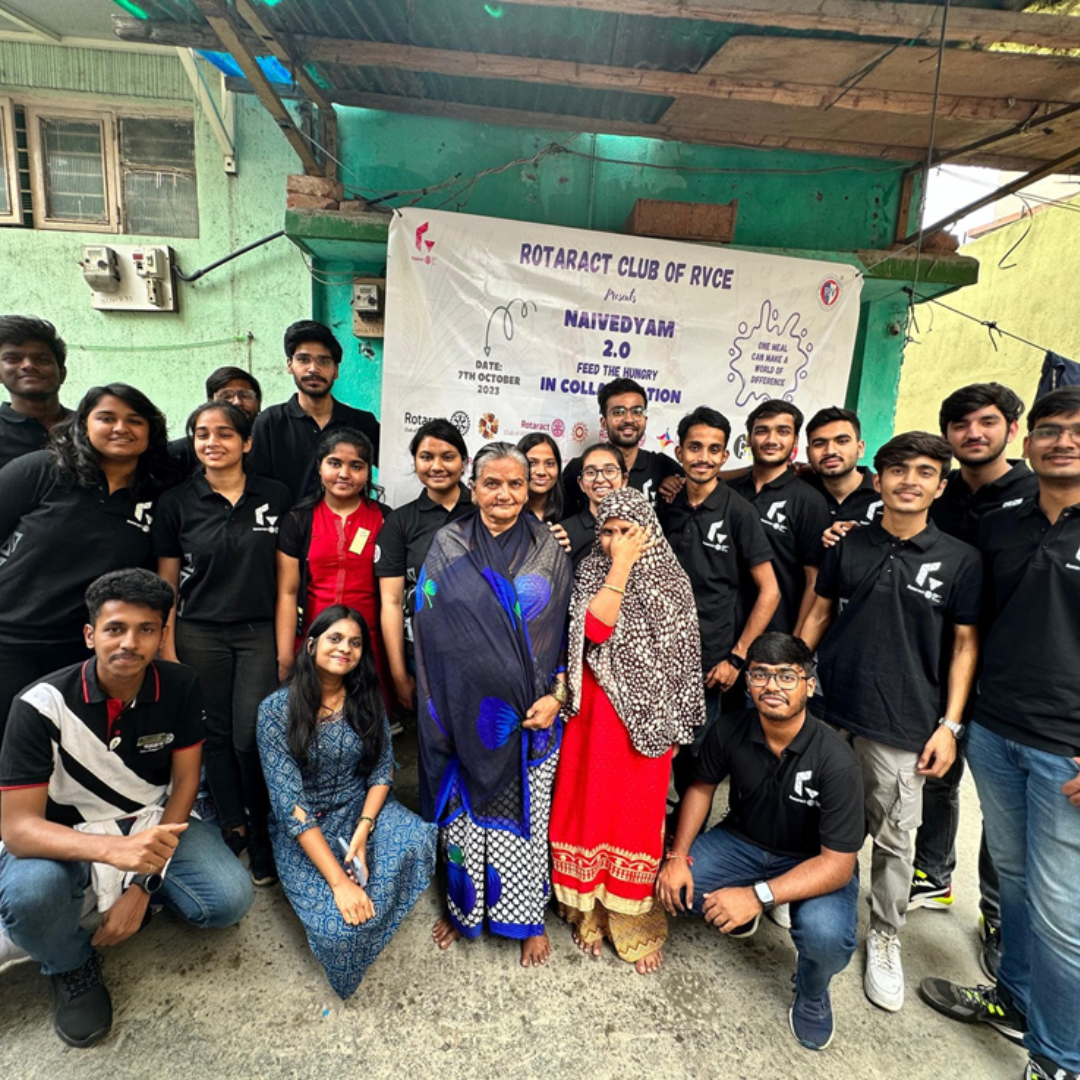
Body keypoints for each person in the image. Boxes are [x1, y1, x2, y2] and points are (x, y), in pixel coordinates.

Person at [0, 569, 253, 1048]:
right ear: (91, 634)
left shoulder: (180, 685)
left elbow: (183, 785)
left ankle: (121, 905)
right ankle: (71, 964)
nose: (129, 643)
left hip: (149, 818)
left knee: (228, 901)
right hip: (65, 832)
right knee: (31, 898)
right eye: (115, 629)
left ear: (162, 635)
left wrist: (141, 884)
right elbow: (17, 829)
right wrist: (114, 853)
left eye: (146, 629)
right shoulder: (39, 706)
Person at [919, 386, 1080, 1080]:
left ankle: (1061, 1058)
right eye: (1050, 431)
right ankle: (1014, 1001)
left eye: (1075, 431)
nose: (1062, 442)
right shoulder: (1006, 521)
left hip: (1066, 750)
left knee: (1062, 913)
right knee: (1014, 883)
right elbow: (970, 618)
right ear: (1029, 442)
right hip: (995, 727)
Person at [798, 431, 981, 1014]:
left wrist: (949, 726)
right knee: (813, 805)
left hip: (903, 720)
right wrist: (792, 680)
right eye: (897, 471)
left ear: (940, 485)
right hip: (830, 706)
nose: (909, 481)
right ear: (878, 481)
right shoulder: (848, 544)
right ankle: (805, 893)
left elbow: (963, 647)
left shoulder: (959, 559)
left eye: (924, 472)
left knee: (896, 837)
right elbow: (821, 612)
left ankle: (884, 933)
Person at [656, 633, 863, 1051]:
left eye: (787, 676)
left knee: (826, 939)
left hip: (811, 861)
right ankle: (746, 907)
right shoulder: (730, 729)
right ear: (747, 683)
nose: (773, 686)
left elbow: (838, 865)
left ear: (810, 683)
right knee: (670, 888)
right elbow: (701, 788)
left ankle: (812, 990)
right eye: (761, 675)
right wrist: (677, 856)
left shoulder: (837, 761)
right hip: (742, 842)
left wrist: (756, 895)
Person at [414, 442, 572, 966]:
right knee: (465, 823)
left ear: (530, 489)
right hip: (462, 717)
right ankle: (464, 913)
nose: (504, 494)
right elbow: (430, 630)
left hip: (531, 723)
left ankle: (528, 919)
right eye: (492, 483)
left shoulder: (549, 546)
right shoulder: (449, 542)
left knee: (528, 823)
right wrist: (444, 710)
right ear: (473, 487)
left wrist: (557, 697)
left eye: (515, 484)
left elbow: (568, 636)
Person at [911, 383, 1036, 977]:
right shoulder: (944, 492)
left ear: (1013, 429)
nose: (973, 434)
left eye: (987, 422)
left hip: (1013, 671)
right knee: (937, 768)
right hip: (941, 655)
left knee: (1003, 808)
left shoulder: (1040, 495)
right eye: (960, 425)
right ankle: (933, 874)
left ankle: (997, 916)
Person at [550, 488, 702, 974]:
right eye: (608, 531)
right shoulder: (593, 569)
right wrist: (619, 566)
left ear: (648, 531)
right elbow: (594, 631)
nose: (616, 541)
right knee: (587, 809)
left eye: (627, 532)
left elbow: (683, 662)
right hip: (592, 717)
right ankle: (588, 912)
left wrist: (676, 724)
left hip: (646, 723)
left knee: (634, 818)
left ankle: (633, 924)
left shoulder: (670, 579)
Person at [256, 605, 436, 999]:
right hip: (306, 827)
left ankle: (367, 896)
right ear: (311, 644)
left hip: (360, 808)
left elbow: (382, 769)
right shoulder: (275, 711)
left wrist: (364, 828)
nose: (345, 648)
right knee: (337, 931)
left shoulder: (366, 698)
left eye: (355, 642)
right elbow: (291, 805)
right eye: (335, 638)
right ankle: (355, 898)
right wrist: (339, 883)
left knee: (419, 840)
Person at [153, 401, 292, 887]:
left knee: (249, 735)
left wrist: (283, 647)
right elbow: (166, 583)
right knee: (211, 737)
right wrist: (167, 647)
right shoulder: (176, 503)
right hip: (198, 633)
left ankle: (262, 829)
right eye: (201, 434)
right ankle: (232, 824)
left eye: (225, 434)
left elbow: (285, 581)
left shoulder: (274, 496)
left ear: (246, 442)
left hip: (257, 633)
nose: (212, 442)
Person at [0, 383, 178, 733]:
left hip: (82, 648)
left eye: (134, 420)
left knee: (66, 745)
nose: (120, 428)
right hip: (11, 637)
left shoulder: (157, 495)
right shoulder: (44, 470)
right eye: (106, 418)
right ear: (83, 424)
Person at [659, 406, 779, 727]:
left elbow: (770, 591)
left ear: (725, 456)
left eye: (714, 450)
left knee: (697, 758)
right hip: (660, 654)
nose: (704, 458)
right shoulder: (667, 505)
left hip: (709, 662)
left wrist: (737, 658)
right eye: (695, 447)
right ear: (679, 451)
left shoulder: (740, 512)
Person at [277, 427, 391, 703]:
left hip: (369, 645)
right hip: (313, 643)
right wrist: (284, 656)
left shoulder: (385, 520)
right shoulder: (298, 521)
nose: (344, 474)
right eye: (335, 463)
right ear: (319, 467)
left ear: (368, 472)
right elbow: (287, 593)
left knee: (367, 725)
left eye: (356, 466)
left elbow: (392, 597)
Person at [375, 419, 473, 714]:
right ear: (415, 462)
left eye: (448, 456)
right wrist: (399, 674)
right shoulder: (400, 522)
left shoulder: (485, 513)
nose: (437, 466)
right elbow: (391, 602)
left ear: (465, 462)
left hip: (479, 654)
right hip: (421, 657)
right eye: (427, 457)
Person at [729, 399, 831, 634]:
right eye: (762, 431)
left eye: (782, 431)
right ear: (748, 438)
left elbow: (813, 581)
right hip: (721, 634)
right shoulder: (728, 493)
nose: (771, 440)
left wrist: (793, 645)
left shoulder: (809, 501)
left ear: (795, 441)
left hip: (775, 638)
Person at [249, 320, 380, 503]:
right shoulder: (270, 422)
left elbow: (397, 466)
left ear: (336, 370)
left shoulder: (362, 422)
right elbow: (255, 485)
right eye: (303, 360)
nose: (313, 369)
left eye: (323, 361)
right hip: (287, 528)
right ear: (289, 365)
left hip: (348, 528)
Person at [562, 378, 682, 515]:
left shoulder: (662, 465)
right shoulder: (579, 468)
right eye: (618, 412)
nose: (629, 419)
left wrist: (678, 483)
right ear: (603, 422)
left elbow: (702, 486)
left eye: (637, 411)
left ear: (645, 420)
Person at [0, 315, 72, 472]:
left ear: (62, 373)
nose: (28, 365)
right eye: (13, 359)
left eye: (42, 359)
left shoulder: (87, 426)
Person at [168, 366, 263, 475]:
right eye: (226, 396)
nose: (237, 402)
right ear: (210, 402)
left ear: (258, 402)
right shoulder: (179, 453)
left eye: (245, 395)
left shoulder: (270, 443)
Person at [802, 407, 881, 524]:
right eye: (819, 444)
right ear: (808, 453)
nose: (830, 451)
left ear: (860, 448)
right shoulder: (798, 494)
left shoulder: (884, 495)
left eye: (842, 441)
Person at [559, 442, 627, 567]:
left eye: (610, 471)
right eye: (591, 473)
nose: (600, 479)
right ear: (581, 483)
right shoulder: (564, 533)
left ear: (624, 480)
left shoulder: (638, 529)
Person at [518, 432, 564, 523]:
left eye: (549, 464)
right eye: (532, 463)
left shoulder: (569, 515)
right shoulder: (505, 512)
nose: (541, 472)